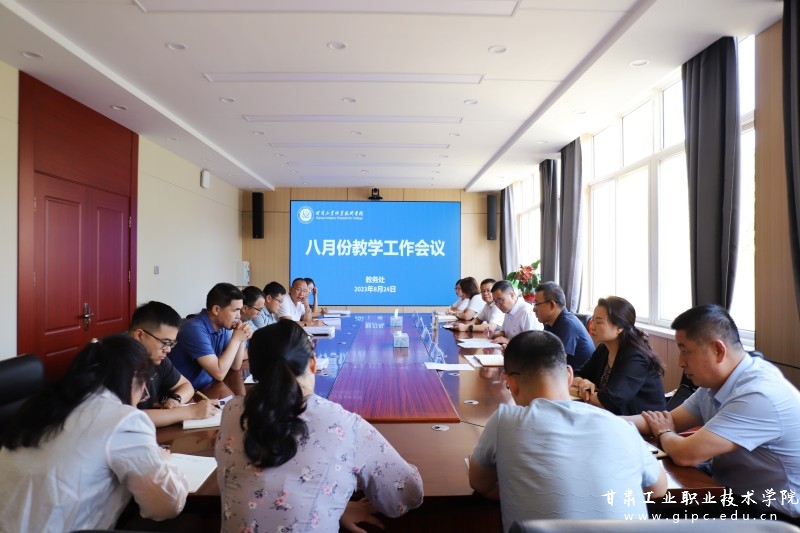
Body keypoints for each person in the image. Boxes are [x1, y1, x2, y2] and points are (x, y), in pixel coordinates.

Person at [215, 321, 424, 532]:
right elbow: (405, 495)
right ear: (313, 363)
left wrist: (334, 506)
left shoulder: (232, 412)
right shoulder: (344, 424)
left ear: (253, 369)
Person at [469, 331, 666, 531]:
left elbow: (480, 483)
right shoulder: (621, 426)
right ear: (570, 375)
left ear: (511, 383)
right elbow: (658, 488)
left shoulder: (504, 421)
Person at [626, 304, 800, 519]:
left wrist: (664, 433)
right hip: (728, 487)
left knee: (647, 509)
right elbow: (667, 419)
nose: (680, 362)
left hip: (770, 511)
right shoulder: (714, 384)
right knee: (641, 492)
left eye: (685, 351)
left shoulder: (758, 394)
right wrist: (604, 420)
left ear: (718, 350)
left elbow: (686, 454)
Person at [0, 335, 188, 532]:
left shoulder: (43, 402)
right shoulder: (123, 419)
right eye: (144, 391)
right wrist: (163, 460)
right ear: (134, 378)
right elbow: (166, 506)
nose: (141, 399)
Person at [129, 301, 219, 427]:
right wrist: (191, 411)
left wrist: (175, 399)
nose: (168, 350)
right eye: (165, 343)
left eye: (171, 344)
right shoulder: (118, 364)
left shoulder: (157, 359)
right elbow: (129, 418)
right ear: (139, 335)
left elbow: (186, 385)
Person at [572, 296, 665, 415]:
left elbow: (609, 401)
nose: (592, 326)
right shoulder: (604, 349)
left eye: (599, 322)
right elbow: (577, 374)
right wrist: (583, 383)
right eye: (593, 320)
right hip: (613, 417)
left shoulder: (636, 358)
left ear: (619, 327)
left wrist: (581, 391)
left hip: (643, 422)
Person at [168, 282, 252, 390]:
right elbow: (219, 374)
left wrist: (241, 336)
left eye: (240, 310)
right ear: (216, 310)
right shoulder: (194, 329)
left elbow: (235, 365)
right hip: (187, 392)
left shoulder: (223, 327)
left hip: (208, 387)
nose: (239, 316)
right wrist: (236, 339)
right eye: (235, 310)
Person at [533, 281, 594, 369]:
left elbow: (556, 363)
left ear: (552, 305)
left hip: (578, 376)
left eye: (537, 304)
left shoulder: (567, 324)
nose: (534, 309)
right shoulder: (549, 323)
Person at [490, 280, 541, 345]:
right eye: (495, 302)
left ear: (512, 295)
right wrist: (493, 334)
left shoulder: (527, 312)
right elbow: (505, 333)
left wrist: (508, 341)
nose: (498, 305)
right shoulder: (508, 310)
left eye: (500, 300)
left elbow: (533, 343)